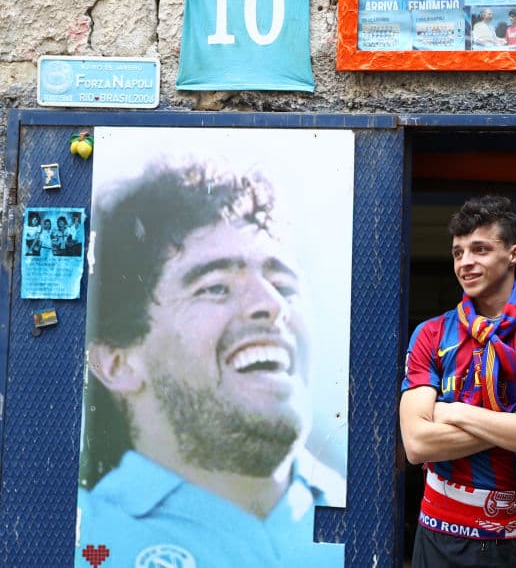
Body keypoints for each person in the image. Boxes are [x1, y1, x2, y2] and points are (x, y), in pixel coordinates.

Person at [77, 162, 345, 565]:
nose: (272, 306)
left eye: (284, 284)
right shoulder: (79, 530)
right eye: (215, 287)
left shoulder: (368, 509)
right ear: (117, 363)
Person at [400, 196, 516, 566]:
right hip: (442, 538)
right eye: (458, 253)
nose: (465, 262)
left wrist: (453, 412)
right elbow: (416, 444)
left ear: (513, 254)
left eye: (480, 249)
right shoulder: (430, 334)